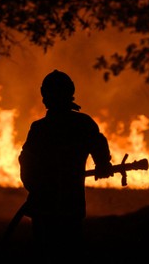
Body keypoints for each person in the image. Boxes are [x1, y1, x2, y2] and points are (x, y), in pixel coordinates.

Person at [18, 69, 113, 254]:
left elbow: (26, 162)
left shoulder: (40, 129)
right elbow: (99, 146)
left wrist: (35, 187)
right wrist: (103, 165)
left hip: (43, 207)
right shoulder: (83, 124)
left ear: (45, 97)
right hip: (70, 206)